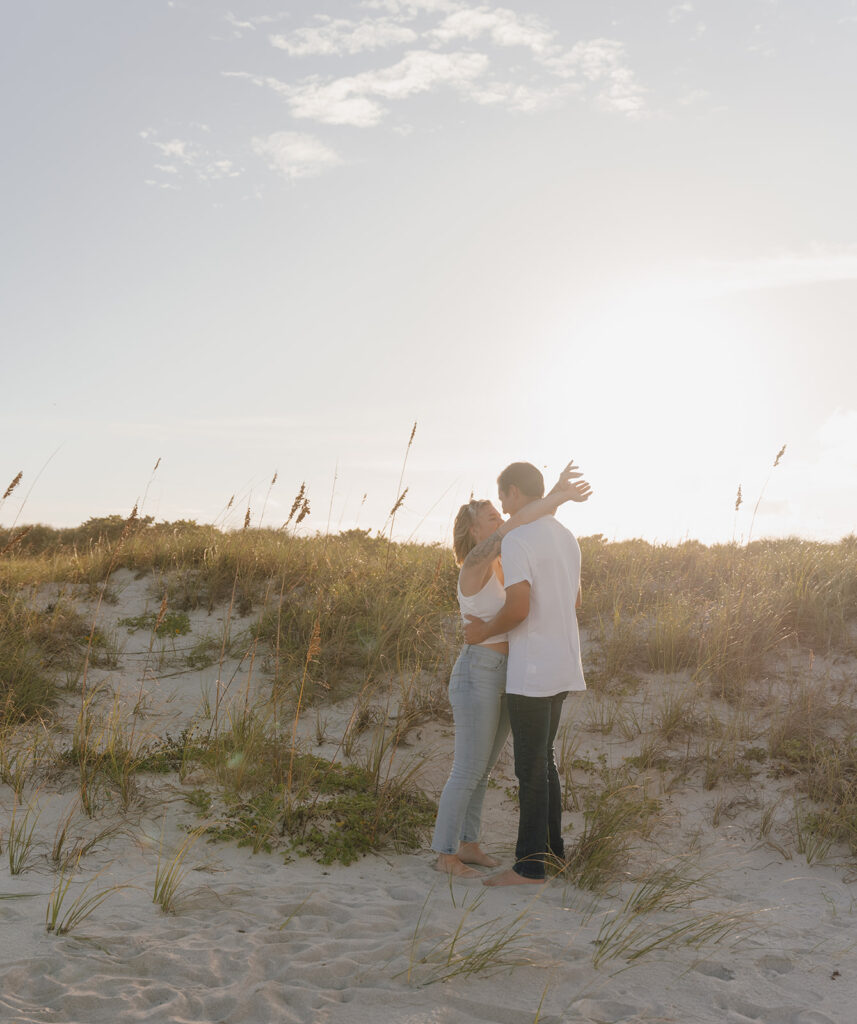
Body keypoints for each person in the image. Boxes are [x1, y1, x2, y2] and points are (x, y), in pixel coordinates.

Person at [432, 461, 592, 878]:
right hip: (479, 671)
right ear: (473, 531)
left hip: (508, 670)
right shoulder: (475, 563)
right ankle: (445, 853)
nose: (501, 516)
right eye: (491, 516)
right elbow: (521, 521)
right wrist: (556, 496)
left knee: (483, 769)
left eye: (500, 509)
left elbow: (529, 526)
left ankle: (468, 844)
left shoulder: (508, 559)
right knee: (467, 768)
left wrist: (552, 498)